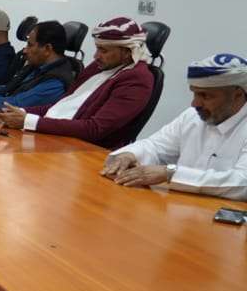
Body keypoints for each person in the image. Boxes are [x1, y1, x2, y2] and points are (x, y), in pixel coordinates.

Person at [102, 54, 247, 199]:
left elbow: (242, 183)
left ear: (238, 95)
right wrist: (130, 155)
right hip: (178, 203)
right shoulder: (192, 116)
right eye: (195, 94)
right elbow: (155, 146)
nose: (195, 104)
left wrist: (169, 173)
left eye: (205, 96)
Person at [0, 17, 156, 149]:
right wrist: (20, 112)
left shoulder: (137, 80)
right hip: (56, 138)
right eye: (97, 48)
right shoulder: (99, 66)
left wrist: (29, 121)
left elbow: (95, 129)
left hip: (85, 150)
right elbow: (61, 105)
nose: (96, 56)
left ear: (127, 52)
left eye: (104, 50)